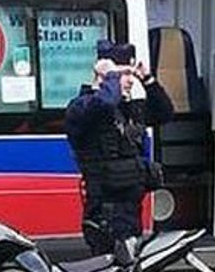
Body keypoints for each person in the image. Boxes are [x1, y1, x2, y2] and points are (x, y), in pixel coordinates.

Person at [65, 41, 174, 254]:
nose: (130, 81)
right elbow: (104, 103)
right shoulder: (82, 107)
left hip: (131, 214)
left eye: (130, 75)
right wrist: (111, 75)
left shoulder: (127, 110)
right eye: (125, 75)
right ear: (103, 73)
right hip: (105, 216)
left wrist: (148, 80)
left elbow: (165, 113)